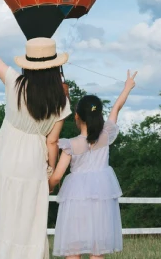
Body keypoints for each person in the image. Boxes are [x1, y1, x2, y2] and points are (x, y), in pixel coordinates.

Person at [0, 8, 72, 259]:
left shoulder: (14, 83)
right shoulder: (61, 101)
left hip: (6, 158)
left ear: (29, 64)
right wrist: (50, 172)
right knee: (28, 222)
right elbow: (52, 142)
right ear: (54, 67)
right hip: (33, 165)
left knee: (0, 216)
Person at [49, 71, 138, 259]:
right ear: (98, 115)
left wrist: (48, 187)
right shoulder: (106, 135)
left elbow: (57, 176)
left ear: (77, 116)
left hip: (76, 198)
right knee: (98, 248)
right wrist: (127, 86)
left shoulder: (70, 145)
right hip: (101, 197)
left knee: (73, 248)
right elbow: (116, 108)